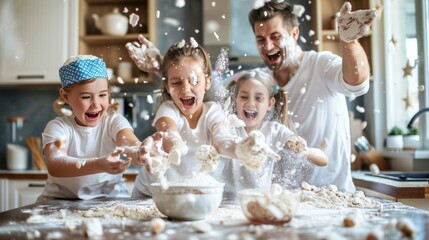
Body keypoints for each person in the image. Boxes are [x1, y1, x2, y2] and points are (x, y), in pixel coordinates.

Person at [126, 2, 375, 193]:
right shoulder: (257, 81)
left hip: (330, 192)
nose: (267, 46)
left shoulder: (322, 65)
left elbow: (357, 83)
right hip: (284, 195)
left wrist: (349, 41)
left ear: (295, 34)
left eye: (275, 37)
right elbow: (199, 91)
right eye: (260, 39)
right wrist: (165, 69)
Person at [131, 39, 279, 199]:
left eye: (194, 80)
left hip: (189, 194)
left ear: (207, 82)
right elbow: (168, 133)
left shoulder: (213, 111)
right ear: (167, 86)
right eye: (176, 82)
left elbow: (222, 141)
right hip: (150, 193)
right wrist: (176, 146)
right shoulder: (167, 109)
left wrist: (241, 150)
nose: (185, 89)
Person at [37, 55, 145, 202]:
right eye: (86, 97)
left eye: (102, 95)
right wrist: (99, 164)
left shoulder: (113, 122)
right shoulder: (58, 127)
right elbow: (55, 164)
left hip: (110, 203)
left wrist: (142, 152)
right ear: (65, 96)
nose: (96, 104)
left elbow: (130, 143)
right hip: (60, 203)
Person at [221, 69, 328, 200]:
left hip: (259, 203)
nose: (250, 103)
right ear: (235, 99)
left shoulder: (274, 131)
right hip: (225, 203)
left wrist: (302, 149)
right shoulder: (226, 127)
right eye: (244, 97)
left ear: (270, 103)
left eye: (258, 98)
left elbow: (323, 160)